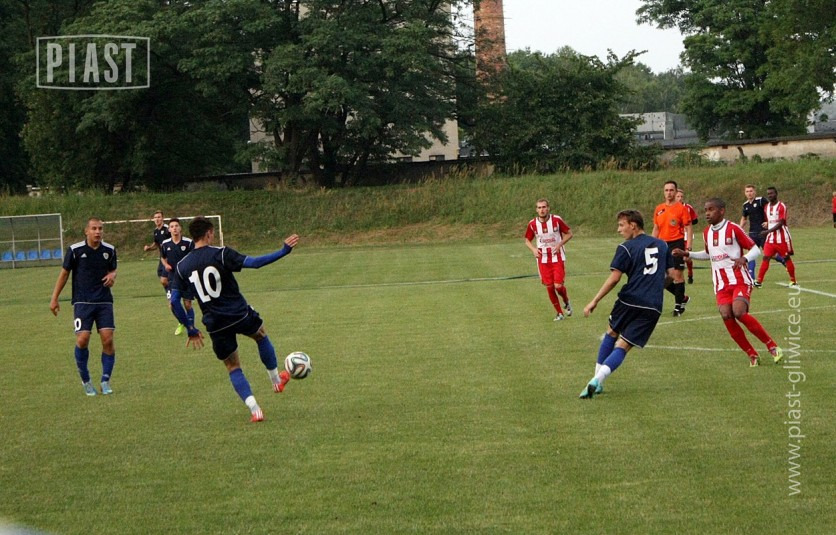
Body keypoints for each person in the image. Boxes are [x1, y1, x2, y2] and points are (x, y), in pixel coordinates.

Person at [169, 217, 299, 422]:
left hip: (214, 323)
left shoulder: (181, 266)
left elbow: (174, 301)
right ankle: (276, 381)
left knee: (233, 366)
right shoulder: (221, 253)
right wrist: (283, 251)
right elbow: (255, 263)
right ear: (209, 233)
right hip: (238, 313)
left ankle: (255, 410)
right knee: (260, 335)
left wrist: (190, 328)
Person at [674, 198, 784, 366]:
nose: (707, 213)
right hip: (720, 283)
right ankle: (752, 354)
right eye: (706, 210)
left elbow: (755, 249)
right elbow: (708, 253)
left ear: (722, 211)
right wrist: (688, 254)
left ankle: (772, 346)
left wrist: (744, 259)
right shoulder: (706, 232)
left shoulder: (733, 228)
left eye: (711, 209)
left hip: (739, 278)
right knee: (726, 314)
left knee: (739, 311)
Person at [579, 210, 674, 398]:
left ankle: (596, 380)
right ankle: (597, 380)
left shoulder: (626, 247)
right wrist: (655, 288)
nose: (618, 230)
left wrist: (594, 300)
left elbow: (614, 278)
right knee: (624, 346)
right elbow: (671, 275)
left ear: (633, 225)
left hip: (629, 299)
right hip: (653, 305)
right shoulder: (663, 245)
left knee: (611, 333)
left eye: (621, 225)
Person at [49, 217, 118, 396]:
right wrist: (54, 298)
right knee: (82, 339)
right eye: (94, 228)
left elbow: (113, 269)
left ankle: (105, 380)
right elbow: (64, 274)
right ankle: (86, 380)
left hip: (104, 301)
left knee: (108, 339)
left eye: (100, 228)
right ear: (86, 231)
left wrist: (113, 275)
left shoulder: (109, 250)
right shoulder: (75, 250)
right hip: (82, 301)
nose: (98, 232)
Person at [524, 198, 574, 321]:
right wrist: (533, 249)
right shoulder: (533, 224)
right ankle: (559, 313)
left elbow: (569, 233)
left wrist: (559, 244)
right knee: (550, 287)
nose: (542, 210)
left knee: (558, 286)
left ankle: (566, 301)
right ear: (536, 210)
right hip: (543, 259)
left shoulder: (556, 220)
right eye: (539, 207)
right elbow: (527, 240)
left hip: (557, 257)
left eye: (544, 207)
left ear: (548, 208)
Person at [652, 180, 691, 316]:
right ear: (664, 192)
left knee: (677, 275)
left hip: (676, 243)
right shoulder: (659, 209)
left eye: (671, 190)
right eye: (666, 190)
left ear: (675, 192)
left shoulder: (681, 208)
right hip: (662, 245)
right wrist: (651, 244)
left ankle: (678, 307)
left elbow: (688, 227)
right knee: (661, 277)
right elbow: (656, 228)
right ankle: (683, 298)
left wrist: (688, 247)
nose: (669, 193)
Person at [755, 187, 797, 287]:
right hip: (770, 238)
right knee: (766, 257)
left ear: (776, 194)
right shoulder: (766, 207)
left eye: (772, 193)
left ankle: (793, 281)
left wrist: (767, 231)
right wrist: (767, 227)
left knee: (786, 258)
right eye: (768, 194)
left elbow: (781, 222)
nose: (770, 195)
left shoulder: (781, 206)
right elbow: (769, 221)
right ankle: (759, 281)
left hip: (782, 238)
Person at [739, 184, 782, 280]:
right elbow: (744, 218)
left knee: (769, 254)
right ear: (745, 193)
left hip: (763, 232)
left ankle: (784, 261)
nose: (749, 193)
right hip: (752, 233)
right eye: (747, 191)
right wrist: (739, 228)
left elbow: (770, 210)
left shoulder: (761, 200)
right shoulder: (745, 205)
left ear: (754, 192)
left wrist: (768, 222)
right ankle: (751, 277)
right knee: (751, 254)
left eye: (751, 191)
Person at [160, 218, 195, 335]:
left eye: (176, 226)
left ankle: (191, 327)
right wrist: (166, 265)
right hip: (173, 278)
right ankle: (182, 322)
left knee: (187, 304)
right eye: (172, 226)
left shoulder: (188, 243)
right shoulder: (165, 244)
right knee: (172, 304)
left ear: (180, 228)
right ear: (169, 230)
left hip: (186, 278)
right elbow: (163, 257)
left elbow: (194, 257)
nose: (174, 228)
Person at [675, 188, 699, 284]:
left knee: (686, 258)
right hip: (676, 236)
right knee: (677, 257)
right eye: (678, 196)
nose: (680, 198)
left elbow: (695, 220)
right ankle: (680, 278)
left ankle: (690, 273)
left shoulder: (688, 207)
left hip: (686, 236)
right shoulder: (672, 208)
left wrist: (687, 224)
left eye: (681, 196)